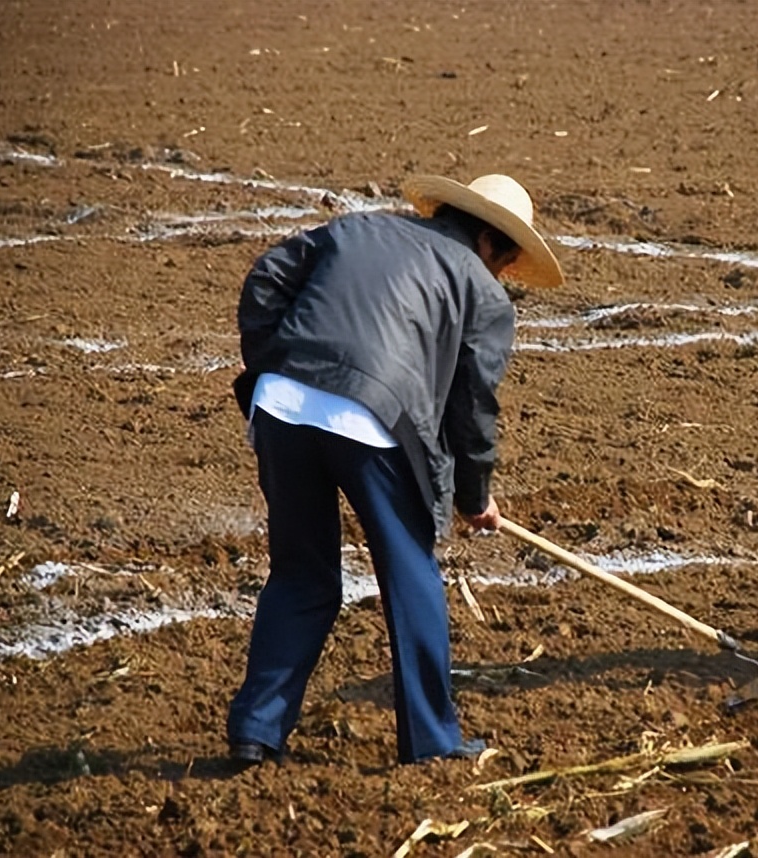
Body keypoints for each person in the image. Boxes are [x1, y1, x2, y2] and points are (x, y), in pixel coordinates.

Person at [226, 174, 563, 764]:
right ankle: (432, 742)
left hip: (279, 403)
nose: (503, 276)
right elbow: (473, 407)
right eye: (506, 263)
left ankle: (257, 730)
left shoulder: (360, 227)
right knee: (412, 578)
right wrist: (473, 495)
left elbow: (267, 277)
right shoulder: (483, 293)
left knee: (302, 576)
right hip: (371, 419)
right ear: (491, 242)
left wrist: (276, 362)